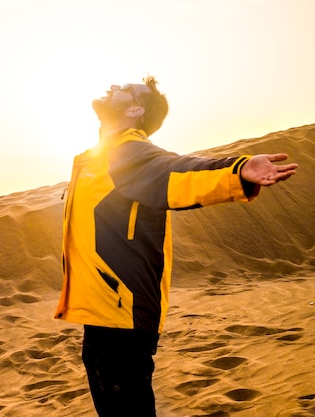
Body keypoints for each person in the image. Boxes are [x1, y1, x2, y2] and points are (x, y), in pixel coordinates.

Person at [54, 76, 298, 416]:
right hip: (102, 313)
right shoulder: (99, 158)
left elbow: (180, 171)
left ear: (136, 109)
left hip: (122, 317)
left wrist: (237, 170)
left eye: (125, 88)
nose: (113, 88)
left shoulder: (130, 153)